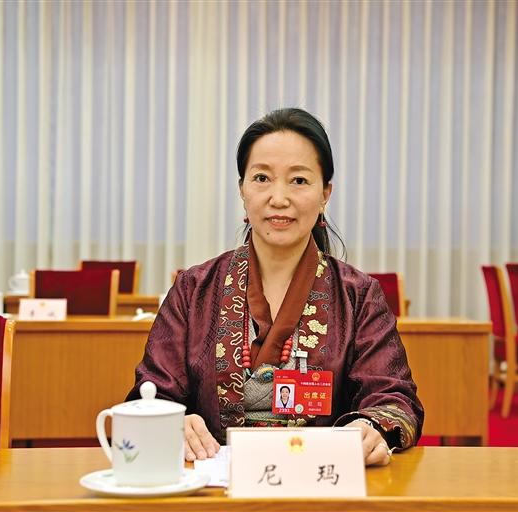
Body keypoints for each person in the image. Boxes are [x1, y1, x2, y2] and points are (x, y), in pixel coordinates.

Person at [127, 108, 424, 466]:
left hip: (320, 480)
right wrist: (173, 423)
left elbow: (394, 399)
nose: (279, 198)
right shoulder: (194, 289)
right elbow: (150, 395)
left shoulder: (358, 296)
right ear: (242, 190)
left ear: (325, 193)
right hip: (214, 483)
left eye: (298, 180)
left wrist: (371, 426)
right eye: (262, 178)